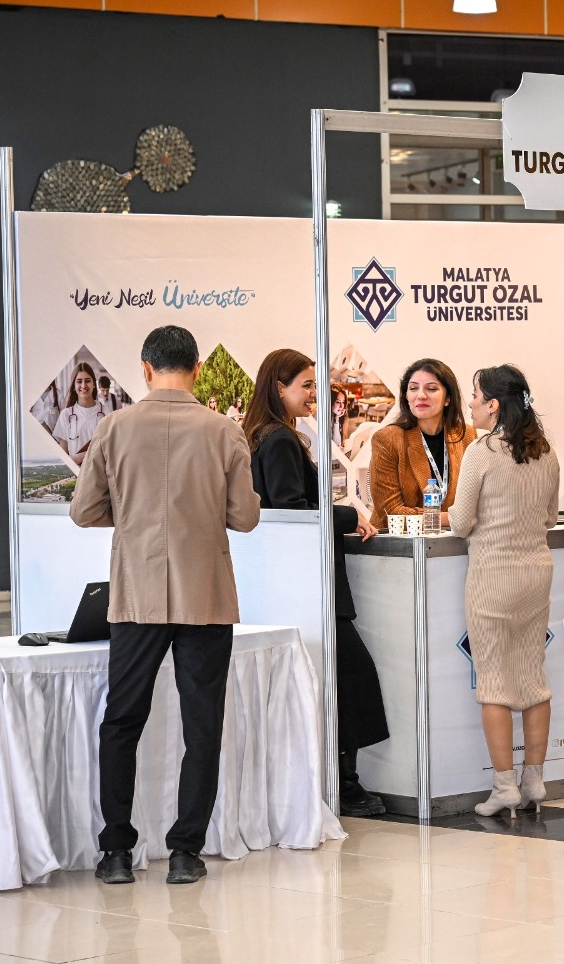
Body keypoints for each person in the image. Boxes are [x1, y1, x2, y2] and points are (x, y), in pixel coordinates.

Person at [70, 326, 261, 886]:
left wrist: (130, 521)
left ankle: (115, 853)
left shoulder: (114, 426)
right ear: (198, 369)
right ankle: (185, 853)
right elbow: (245, 518)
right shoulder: (224, 431)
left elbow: (84, 512)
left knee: (121, 721)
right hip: (206, 593)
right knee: (202, 726)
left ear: (146, 368)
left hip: (136, 594)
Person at [245, 349, 389, 818]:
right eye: (305, 385)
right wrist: (349, 516)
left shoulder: (269, 437)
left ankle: (340, 782)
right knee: (352, 676)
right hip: (310, 584)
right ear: (278, 388)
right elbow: (292, 511)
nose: (313, 393)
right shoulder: (280, 442)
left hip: (291, 583)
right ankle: (346, 785)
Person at [448, 365, 561, 818]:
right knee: (533, 679)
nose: (471, 404)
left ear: (494, 405)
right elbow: (551, 517)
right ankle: (535, 779)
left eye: (476, 396)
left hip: (492, 574)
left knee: (494, 681)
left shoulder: (479, 453)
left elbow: (459, 523)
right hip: (537, 572)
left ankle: (504, 787)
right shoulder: (546, 452)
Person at [369, 358, 474, 530]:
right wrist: (451, 518)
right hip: (398, 545)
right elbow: (391, 513)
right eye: (413, 388)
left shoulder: (466, 435)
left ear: (448, 398)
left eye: (431, 388)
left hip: (451, 545)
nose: (421, 395)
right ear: (406, 397)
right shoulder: (387, 439)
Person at [52, 361, 107, 466]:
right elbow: (63, 457)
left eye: (87, 381)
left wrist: (81, 456)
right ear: (73, 386)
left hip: (100, 474)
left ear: (94, 385)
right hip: (77, 475)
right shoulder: (66, 415)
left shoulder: (106, 412)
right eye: (79, 381)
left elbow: (111, 449)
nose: (83, 385)